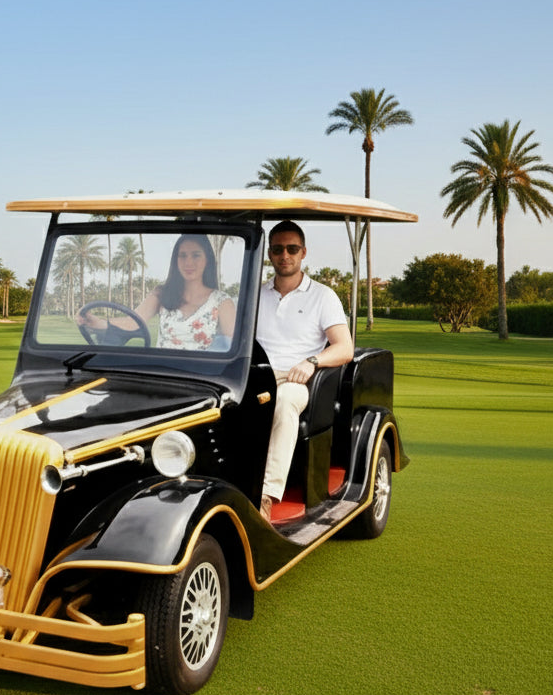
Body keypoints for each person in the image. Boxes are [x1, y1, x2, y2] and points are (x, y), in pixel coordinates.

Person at [257, 220, 354, 521]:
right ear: (269, 254)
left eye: (292, 249)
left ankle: (266, 496)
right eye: (277, 249)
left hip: (297, 380)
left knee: (284, 401)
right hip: (258, 377)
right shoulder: (256, 295)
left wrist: (311, 362)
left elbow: (344, 348)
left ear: (303, 252)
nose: (284, 255)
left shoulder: (322, 296)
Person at [76, 233, 236, 350]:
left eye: (196, 255)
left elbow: (232, 348)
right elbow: (133, 322)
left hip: (200, 378)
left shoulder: (221, 302)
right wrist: (98, 323)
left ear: (207, 260)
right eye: (182, 256)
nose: (188, 262)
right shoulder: (162, 293)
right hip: (161, 373)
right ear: (175, 260)